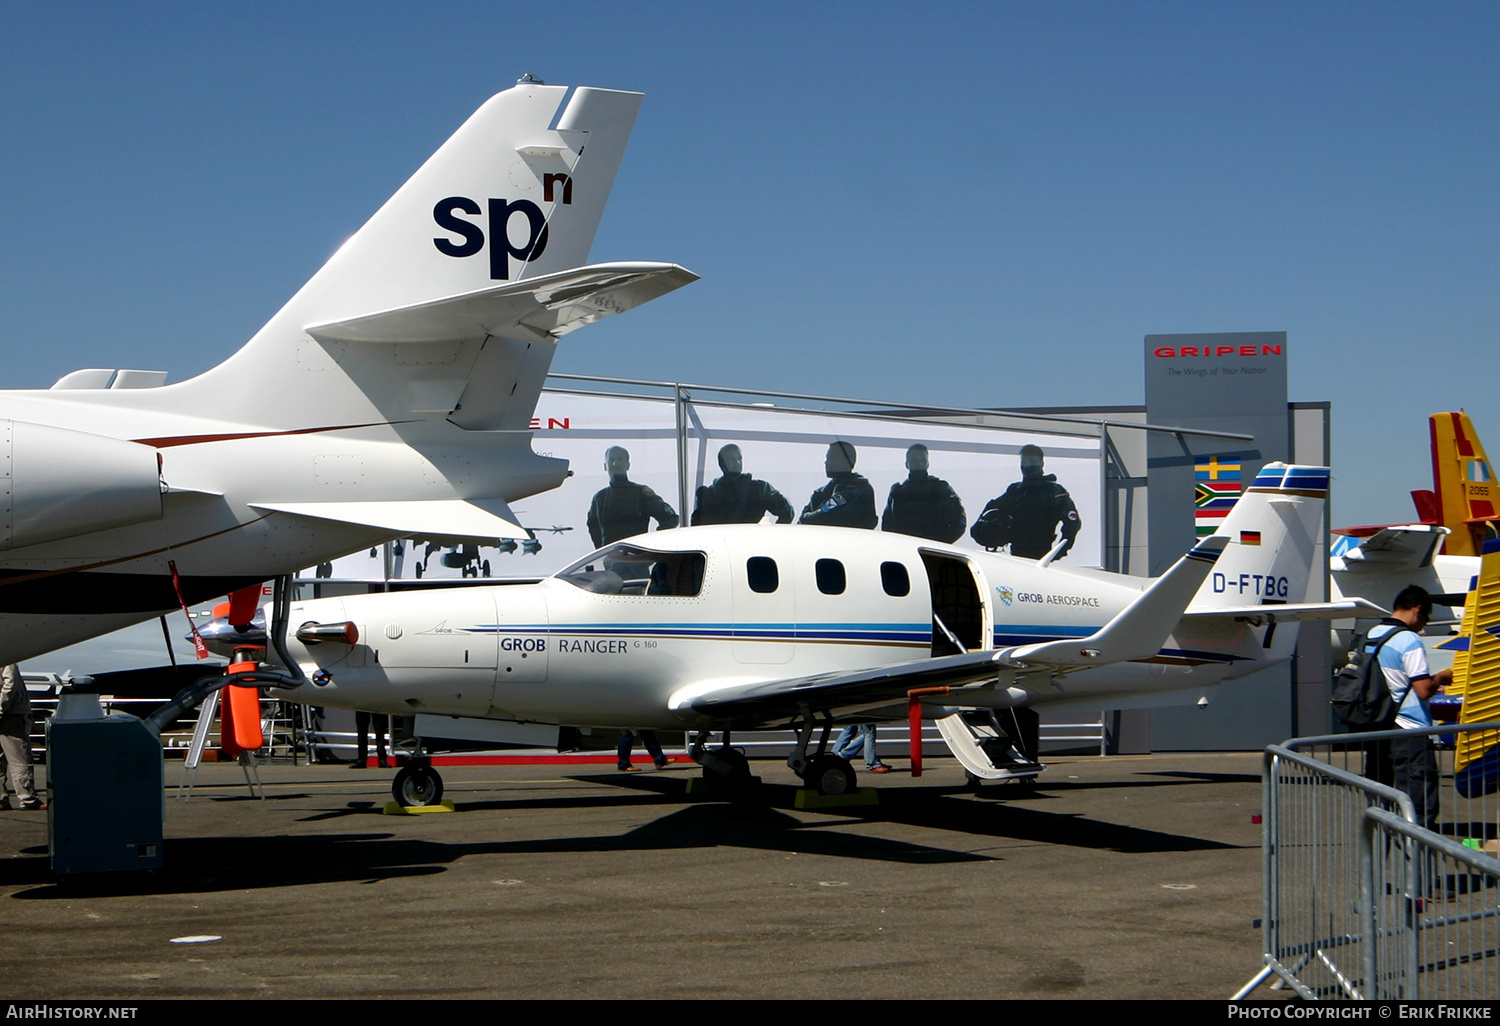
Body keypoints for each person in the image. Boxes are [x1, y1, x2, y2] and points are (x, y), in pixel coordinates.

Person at [1362, 585, 1450, 831]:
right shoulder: (1409, 639)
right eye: (1425, 619)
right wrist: (1440, 678)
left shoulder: (1373, 634)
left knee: (1381, 804)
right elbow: (1422, 689)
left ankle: (1377, 864)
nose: (1422, 627)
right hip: (1409, 730)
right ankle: (1417, 865)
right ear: (1418, 610)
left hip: (1379, 728)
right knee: (1418, 806)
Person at [971, 444, 1081, 558]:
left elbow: (1073, 523)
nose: (1027, 465)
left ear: (1042, 463)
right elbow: (991, 509)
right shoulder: (1016, 491)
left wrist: (1058, 552)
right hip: (1016, 557)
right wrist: (983, 531)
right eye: (1024, 462)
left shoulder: (1054, 492)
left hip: (1042, 556)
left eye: (1032, 461)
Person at [586, 446, 680, 547]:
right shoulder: (600, 498)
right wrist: (602, 553)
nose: (615, 463)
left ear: (628, 465)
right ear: (605, 466)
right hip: (611, 559)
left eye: (620, 459)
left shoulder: (641, 493)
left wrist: (652, 545)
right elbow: (593, 528)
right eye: (611, 460)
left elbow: (671, 519)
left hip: (638, 558)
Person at [881, 444, 966, 543]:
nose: (918, 463)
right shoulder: (897, 492)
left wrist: (939, 544)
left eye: (922, 460)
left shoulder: (940, 489)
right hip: (905, 548)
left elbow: (959, 522)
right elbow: (887, 526)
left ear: (927, 463)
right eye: (914, 460)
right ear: (906, 464)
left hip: (933, 551)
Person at [691, 445, 794, 525]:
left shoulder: (759, 489)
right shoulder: (708, 495)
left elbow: (787, 512)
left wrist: (770, 537)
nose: (737, 462)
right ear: (721, 464)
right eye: (731, 459)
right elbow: (697, 526)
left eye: (739, 458)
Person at [799, 441, 877, 529]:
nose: (826, 462)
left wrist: (806, 518)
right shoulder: (822, 491)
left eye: (831, 458)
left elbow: (827, 513)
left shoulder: (856, 489)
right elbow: (802, 521)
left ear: (845, 460)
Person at [0, 663, 43, 809]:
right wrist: (1, 707)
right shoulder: (9, 657)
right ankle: (27, 798)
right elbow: (10, 683)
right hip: (11, 715)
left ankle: (1, 799)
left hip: (8, 713)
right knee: (19, 758)